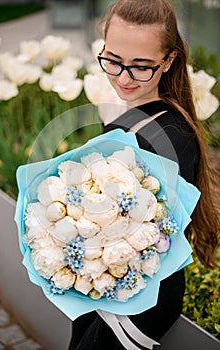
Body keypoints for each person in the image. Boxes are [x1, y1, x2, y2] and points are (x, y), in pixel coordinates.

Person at [68, 1, 219, 349]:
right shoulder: (120, 109)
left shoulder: (175, 139)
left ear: (168, 62)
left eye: (141, 67)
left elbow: (155, 238)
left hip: (141, 296)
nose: (123, 77)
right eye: (113, 60)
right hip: (103, 279)